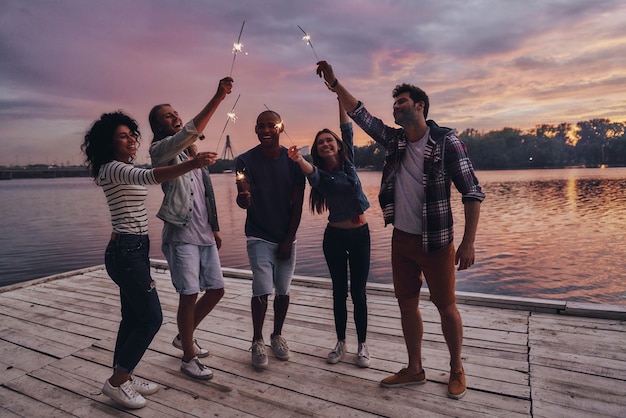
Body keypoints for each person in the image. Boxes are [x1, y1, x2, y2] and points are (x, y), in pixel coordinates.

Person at [315, 61, 485, 400]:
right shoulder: (394, 141)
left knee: (445, 305)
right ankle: (414, 368)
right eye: (394, 104)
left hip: (437, 242)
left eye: (401, 102)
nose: (395, 108)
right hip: (402, 239)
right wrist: (335, 83)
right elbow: (361, 114)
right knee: (407, 304)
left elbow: (472, 191)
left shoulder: (447, 142)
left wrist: (468, 243)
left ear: (420, 105)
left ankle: (456, 368)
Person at [81, 111, 217, 409]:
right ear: (109, 143)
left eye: (132, 134)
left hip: (135, 248)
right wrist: (192, 163)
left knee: (132, 317)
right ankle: (116, 382)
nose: (131, 139)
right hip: (126, 252)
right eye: (122, 136)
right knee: (152, 317)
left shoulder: (118, 167)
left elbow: (144, 175)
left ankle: (124, 375)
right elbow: (149, 176)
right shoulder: (112, 168)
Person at [148, 77, 233, 380]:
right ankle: (188, 357)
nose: (176, 117)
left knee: (217, 290)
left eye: (176, 113)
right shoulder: (161, 150)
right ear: (159, 127)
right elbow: (190, 131)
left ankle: (184, 335)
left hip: (204, 234)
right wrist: (219, 96)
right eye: (168, 116)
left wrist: (216, 227)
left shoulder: (190, 153)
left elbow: (206, 192)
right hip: (180, 234)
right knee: (189, 294)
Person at [287, 99, 371, 368]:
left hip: (361, 235)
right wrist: (298, 159)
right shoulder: (320, 175)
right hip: (335, 237)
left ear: (336, 144)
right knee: (339, 292)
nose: (325, 144)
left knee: (358, 292)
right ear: (318, 151)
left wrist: (339, 99)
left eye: (329, 140)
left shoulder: (350, 162)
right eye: (320, 142)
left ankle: (362, 345)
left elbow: (346, 129)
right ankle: (340, 343)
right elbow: (310, 172)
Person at [235, 110, 305, 369]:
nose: (266, 130)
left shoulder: (293, 162)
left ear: (280, 127)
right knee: (262, 288)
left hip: (286, 235)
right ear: (255, 130)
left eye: (271, 125)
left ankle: (277, 336)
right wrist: (243, 199)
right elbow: (243, 194)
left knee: (283, 291)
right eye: (261, 126)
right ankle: (257, 340)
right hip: (258, 234)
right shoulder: (244, 160)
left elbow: (298, 205)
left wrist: (289, 239)